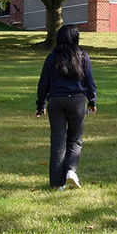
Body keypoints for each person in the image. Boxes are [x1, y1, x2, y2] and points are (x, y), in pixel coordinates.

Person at [35, 25, 97, 190]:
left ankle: (57, 184)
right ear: (76, 38)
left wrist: (40, 104)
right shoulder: (83, 56)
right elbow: (89, 82)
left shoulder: (51, 57)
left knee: (58, 141)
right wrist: (92, 101)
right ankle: (71, 170)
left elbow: (43, 83)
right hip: (77, 101)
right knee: (75, 139)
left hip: (55, 101)